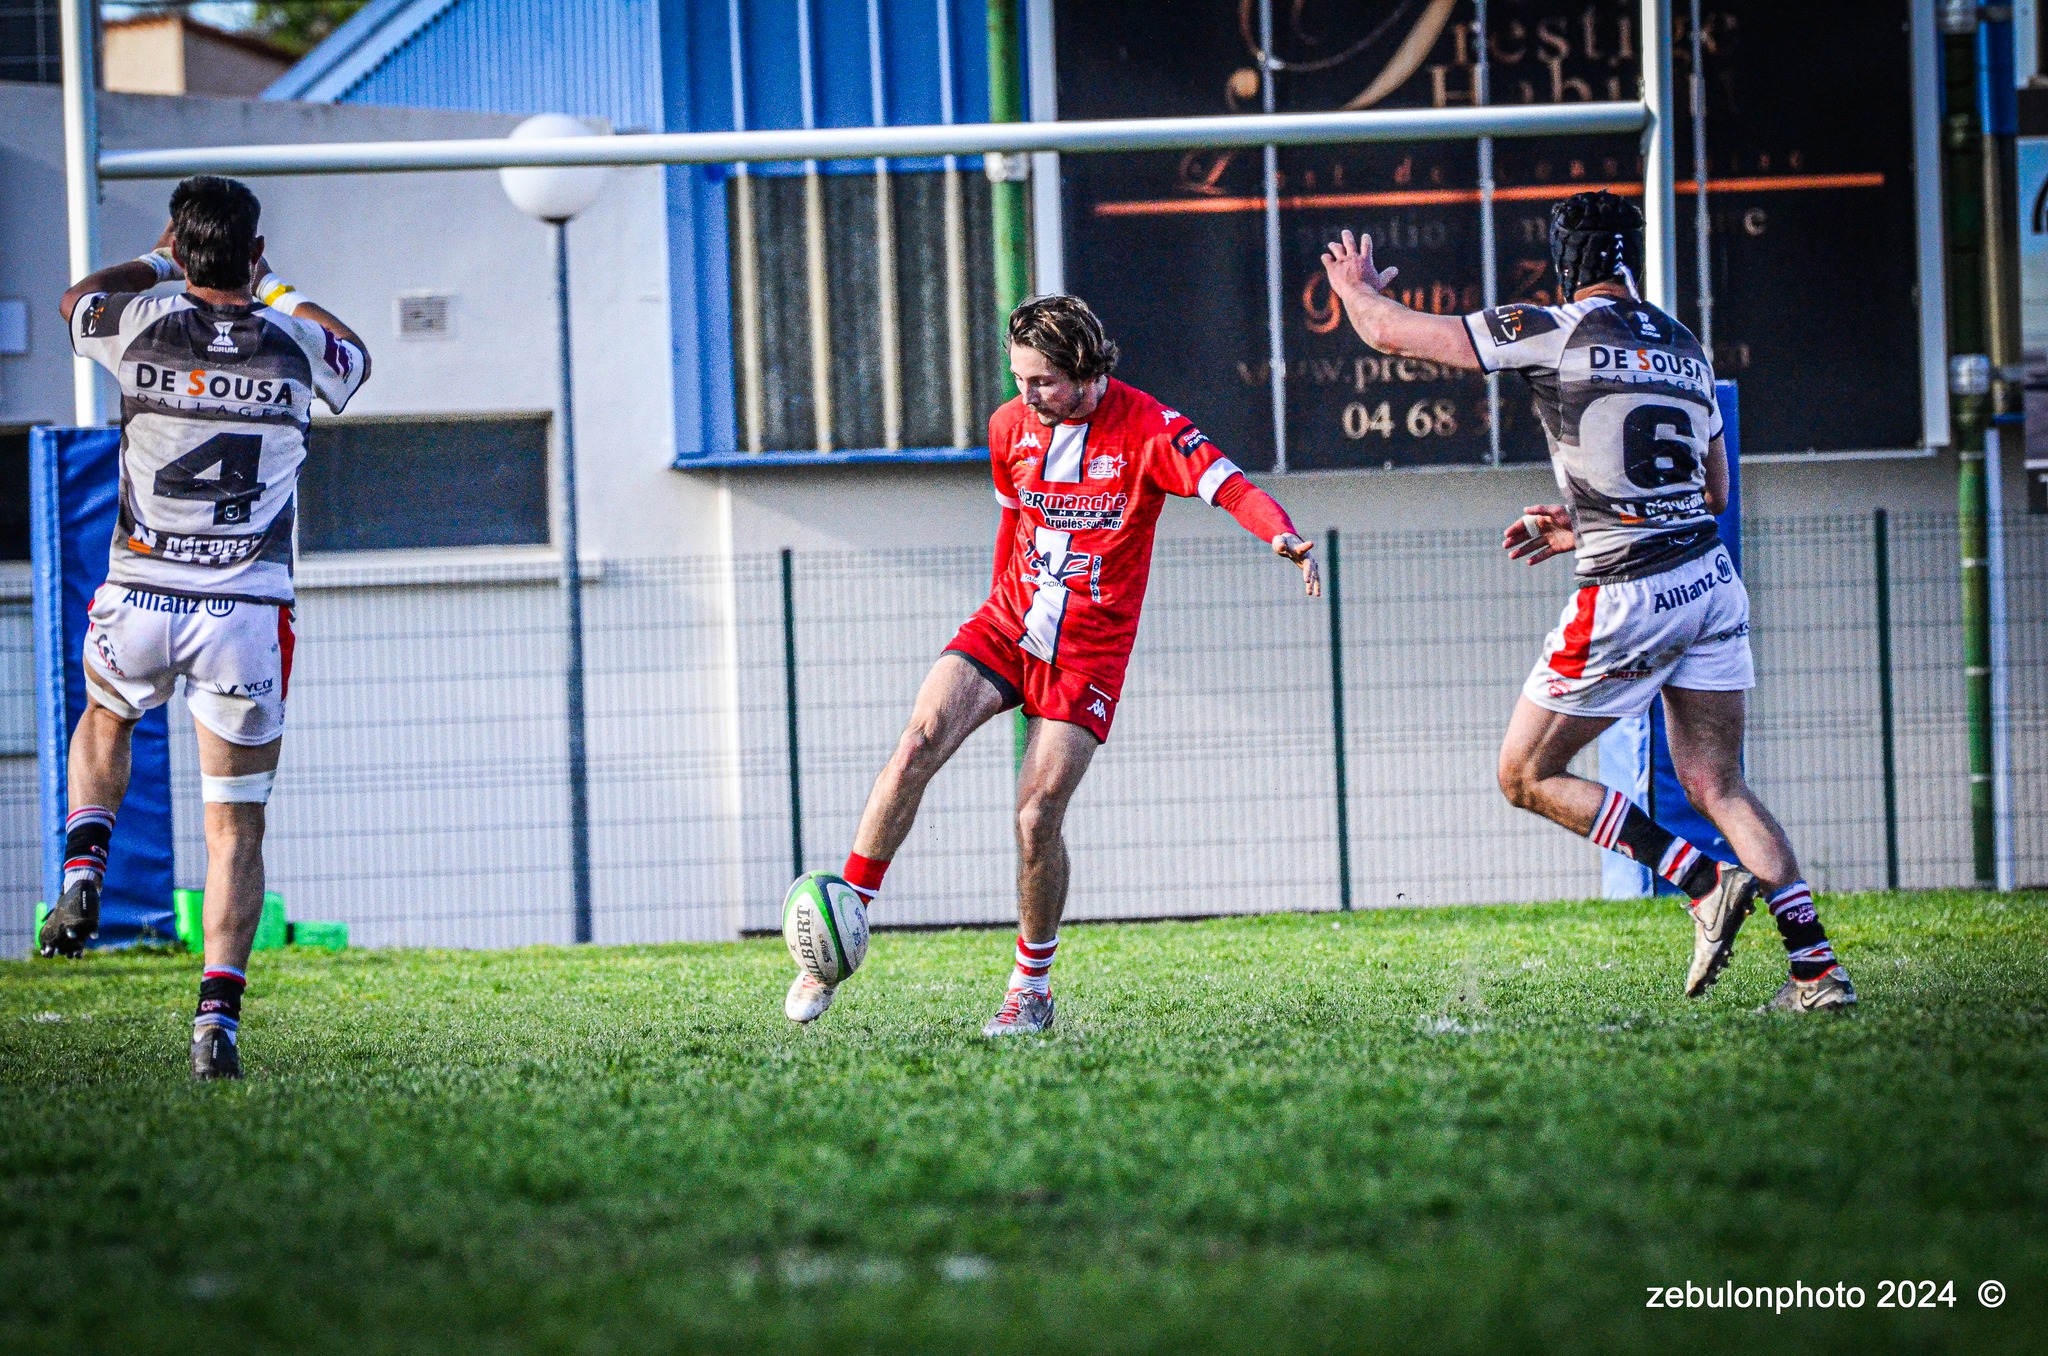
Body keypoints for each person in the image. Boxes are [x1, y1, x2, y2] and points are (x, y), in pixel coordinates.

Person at [1316, 190, 1853, 1013]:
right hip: (1711, 583)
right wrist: (1583, 522)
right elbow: (1711, 492)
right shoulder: (1686, 348)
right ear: (1630, 257)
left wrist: (1355, 288)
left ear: (1565, 262)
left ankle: (1702, 881)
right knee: (1720, 784)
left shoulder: (1553, 327)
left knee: (1525, 772)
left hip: (1631, 593)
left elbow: (1391, 332)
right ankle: (1817, 973)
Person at [786, 295, 1321, 1034]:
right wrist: (996, 616)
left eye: (1041, 381)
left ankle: (1029, 988)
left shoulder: (1151, 431)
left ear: (1085, 370)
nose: (1024, 395)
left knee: (1036, 816)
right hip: (1008, 621)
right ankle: (833, 942)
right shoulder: (1011, 426)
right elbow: (1013, 523)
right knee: (915, 743)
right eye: (1018, 378)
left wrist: (1282, 536)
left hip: (1088, 653)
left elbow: (1229, 486)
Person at [44, 175, 372, 1077]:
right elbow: (356, 352)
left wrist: (156, 260)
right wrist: (273, 289)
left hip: (141, 595)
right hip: (244, 614)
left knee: (106, 717)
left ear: (183, 253)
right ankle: (215, 1022)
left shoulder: (140, 327)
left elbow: (78, 300)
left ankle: (84, 868)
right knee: (235, 827)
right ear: (255, 251)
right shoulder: (297, 343)